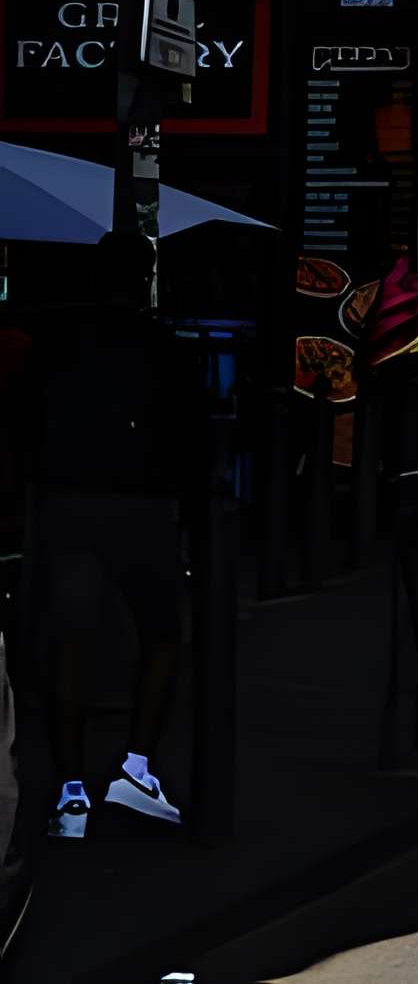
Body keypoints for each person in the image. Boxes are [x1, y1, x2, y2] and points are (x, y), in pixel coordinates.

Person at [24, 231, 199, 839]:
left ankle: (71, 791)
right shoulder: (164, 347)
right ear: (144, 277)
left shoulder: (58, 343)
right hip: (142, 506)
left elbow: (28, 422)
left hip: (68, 501)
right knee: (162, 636)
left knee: (70, 644)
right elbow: (189, 439)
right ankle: (135, 766)